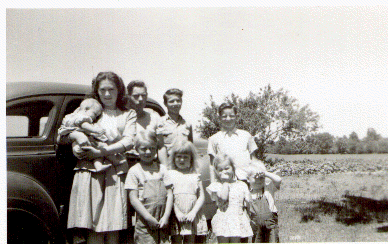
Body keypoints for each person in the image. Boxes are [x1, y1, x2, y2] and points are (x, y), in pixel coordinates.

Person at [57, 71, 137, 244]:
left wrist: (100, 152)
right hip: (90, 172)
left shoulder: (127, 114)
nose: (107, 94)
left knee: (113, 225)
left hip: (115, 173)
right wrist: (76, 137)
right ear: (96, 91)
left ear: (119, 90)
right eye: (102, 90)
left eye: (112, 89)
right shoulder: (87, 109)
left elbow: (129, 141)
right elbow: (61, 135)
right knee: (94, 225)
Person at [125, 130, 173, 244]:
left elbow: (170, 194)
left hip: (163, 221)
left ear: (156, 149)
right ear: (137, 150)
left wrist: (166, 216)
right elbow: (133, 199)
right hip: (145, 222)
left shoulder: (162, 169)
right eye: (144, 148)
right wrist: (148, 218)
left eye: (152, 148)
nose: (148, 152)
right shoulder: (134, 171)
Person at [60, 97, 125, 172]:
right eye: (94, 114)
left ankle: (98, 166)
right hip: (83, 144)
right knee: (103, 147)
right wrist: (95, 130)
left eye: (97, 116)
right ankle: (115, 161)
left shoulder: (71, 117)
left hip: (77, 146)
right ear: (86, 109)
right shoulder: (81, 117)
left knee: (97, 152)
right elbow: (84, 125)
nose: (94, 117)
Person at [207, 102, 265, 183]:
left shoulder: (246, 135)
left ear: (236, 117)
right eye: (224, 116)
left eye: (231, 116)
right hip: (225, 181)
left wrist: (260, 174)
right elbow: (212, 165)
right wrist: (213, 184)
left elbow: (254, 159)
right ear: (219, 118)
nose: (228, 119)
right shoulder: (214, 138)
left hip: (247, 179)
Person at [168, 138, 208, 244]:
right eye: (179, 157)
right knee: (176, 240)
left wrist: (193, 212)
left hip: (192, 214)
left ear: (191, 159)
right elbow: (169, 196)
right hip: (177, 215)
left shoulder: (195, 176)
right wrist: (177, 212)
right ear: (173, 158)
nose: (182, 160)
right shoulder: (170, 175)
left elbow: (201, 196)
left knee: (190, 241)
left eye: (185, 157)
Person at [206, 153, 253, 243]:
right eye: (220, 170)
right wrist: (225, 182)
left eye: (227, 168)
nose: (224, 171)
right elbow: (223, 197)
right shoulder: (217, 185)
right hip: (224, 220)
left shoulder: (241, 185)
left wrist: (248, 213)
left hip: (238, 218)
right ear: (216, 171)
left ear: (233, 168)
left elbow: (248, 202)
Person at [125, 80, 161, 160]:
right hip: (128, 162)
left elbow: (161, 146)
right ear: (128, 96)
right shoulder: (122, 117)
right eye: (136, 96)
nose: (141, 99)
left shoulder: (154, 117)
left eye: (143, 95)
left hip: (150, 162)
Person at [157, 88, 193, 166]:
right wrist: (166, 168)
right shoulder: (159, 123)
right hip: (167, 165)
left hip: (184, 165)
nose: (175, 104)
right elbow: (160, 148)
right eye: (171, 101)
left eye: (178, 101)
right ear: (165, 104)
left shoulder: (187, 124)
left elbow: (190, 147)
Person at [246, 165, 282, 243]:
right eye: (256, 178)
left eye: (261, 178)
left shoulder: (268, 189)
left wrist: (265, 173)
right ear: (248, 179)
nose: (259, 180)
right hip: (256, 227)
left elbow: (278, 179)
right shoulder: (247, 194)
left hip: (271, 225)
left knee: (273, 241)